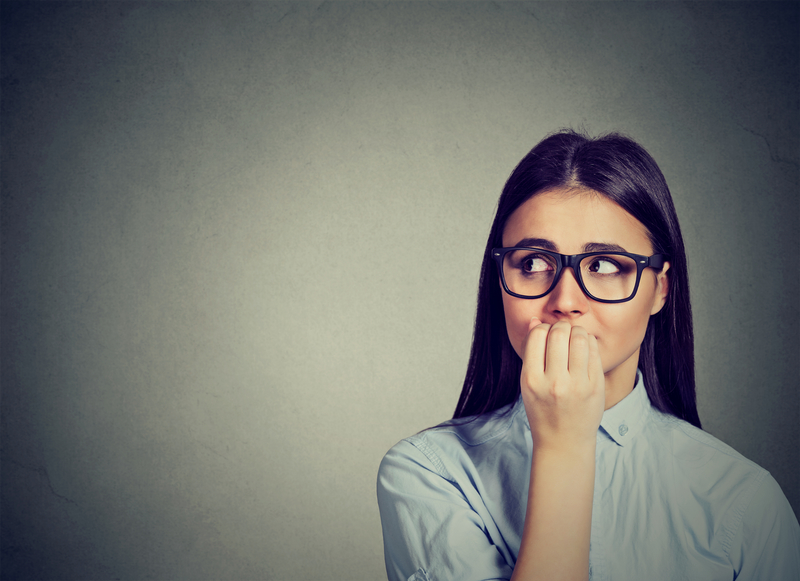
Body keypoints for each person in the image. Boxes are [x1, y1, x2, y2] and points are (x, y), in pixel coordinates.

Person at [376, 130, 800, 581]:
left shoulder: (745, 502)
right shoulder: (429, 473)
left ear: (659, 288)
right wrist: (562, 446)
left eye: (603, 266)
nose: (565, 299)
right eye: (533, 262)